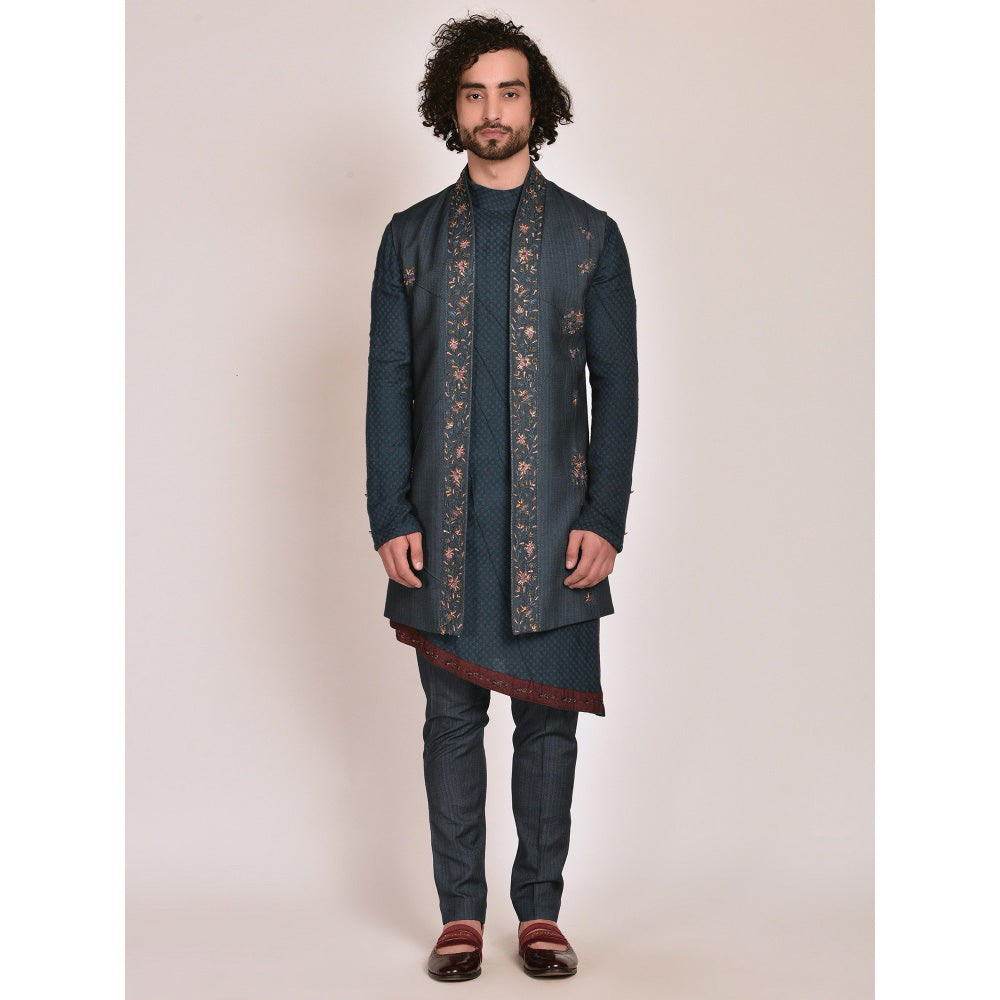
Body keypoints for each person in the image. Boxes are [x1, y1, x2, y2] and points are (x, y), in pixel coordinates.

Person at [365, 14, 639, 982]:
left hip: (557, 526)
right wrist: (390, 514)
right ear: (451, 107)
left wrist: (605, 518)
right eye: (475, 92)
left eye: (509, 92)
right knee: (450, 722)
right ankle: (460, 918)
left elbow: (619, 386)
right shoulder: (409, 239)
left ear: (537, 105)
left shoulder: (589, 237)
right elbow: (389, 383)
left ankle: (541, 914)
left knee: (548, 725)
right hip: (441, 528)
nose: (492, 110)